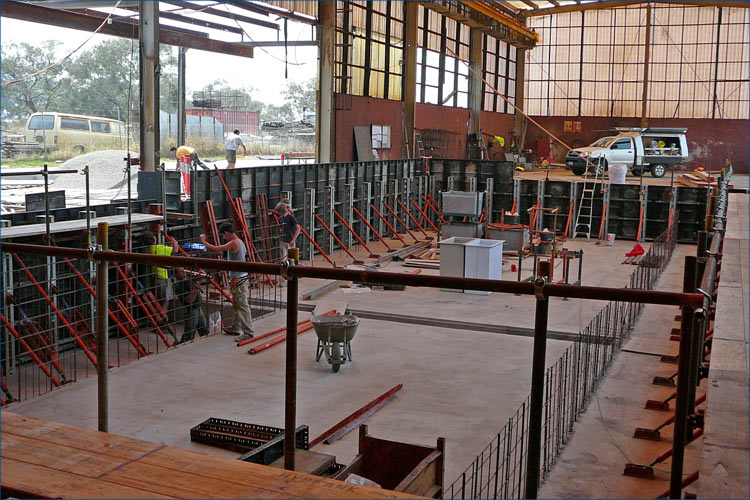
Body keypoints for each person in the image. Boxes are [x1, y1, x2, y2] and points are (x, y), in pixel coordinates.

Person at [200, 223, 254, 342]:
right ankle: (236, 327)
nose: (224, 238)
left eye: (224, 236)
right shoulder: (240, 242)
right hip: (240, 278)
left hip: (238, 279)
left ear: (226, 233)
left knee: (242, 305)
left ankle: (248, 332)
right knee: (238, 304)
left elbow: (216, 249)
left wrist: (203, 241)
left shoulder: (234, 242)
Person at [145, 233, 178, 317]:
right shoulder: (158, 248)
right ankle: (162, 320)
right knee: (165, 301)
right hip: (163, 278)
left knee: (158, 300)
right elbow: (175, 250)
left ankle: (159, 320)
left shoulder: (148, 249)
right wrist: (174, 241)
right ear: (154, 240)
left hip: (154, 277)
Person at [173, 267, 208, 344]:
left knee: (204, 330)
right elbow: (189, 300)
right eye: (181, 272)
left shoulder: (189, 278)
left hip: (198, 308)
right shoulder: (179, 286)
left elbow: (200, 277)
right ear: (175, 275)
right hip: (191, 310)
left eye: (184, 270)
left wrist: (201, 272)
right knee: (189, 334)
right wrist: (195, 289)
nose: (184, 272)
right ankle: (182, 347)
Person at [273, 202, 300, 287]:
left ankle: (293, 279)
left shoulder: (291, 217)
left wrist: (293, 239)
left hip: (290, 242)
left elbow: (298, 229)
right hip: (283, 241)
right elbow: (281, 227)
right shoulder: (281, 218)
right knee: (283, 262)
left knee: (292, 261)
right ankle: (284, 281)